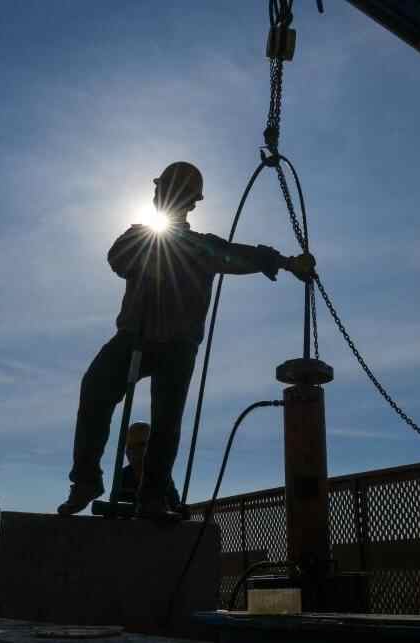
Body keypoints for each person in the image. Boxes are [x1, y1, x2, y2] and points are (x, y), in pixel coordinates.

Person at [58, 161, 316, 519]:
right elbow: (117, 259)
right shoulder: (139, 235)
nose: (159, 195)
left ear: (188, 200)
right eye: (160, 189)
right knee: (96, 388)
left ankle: (152, 496)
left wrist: (288, 263)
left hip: (177, 346)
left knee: (167, 421)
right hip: (133, 336)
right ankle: (86, 480)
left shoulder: (203, 247)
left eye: (166, 190)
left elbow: (244, 256)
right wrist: (158, 249)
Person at [116, 422, 180, 512]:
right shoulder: (122, 476)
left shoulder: (162, 475)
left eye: (141, 445)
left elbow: (174, 505)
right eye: (130, 447)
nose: (134, 451)